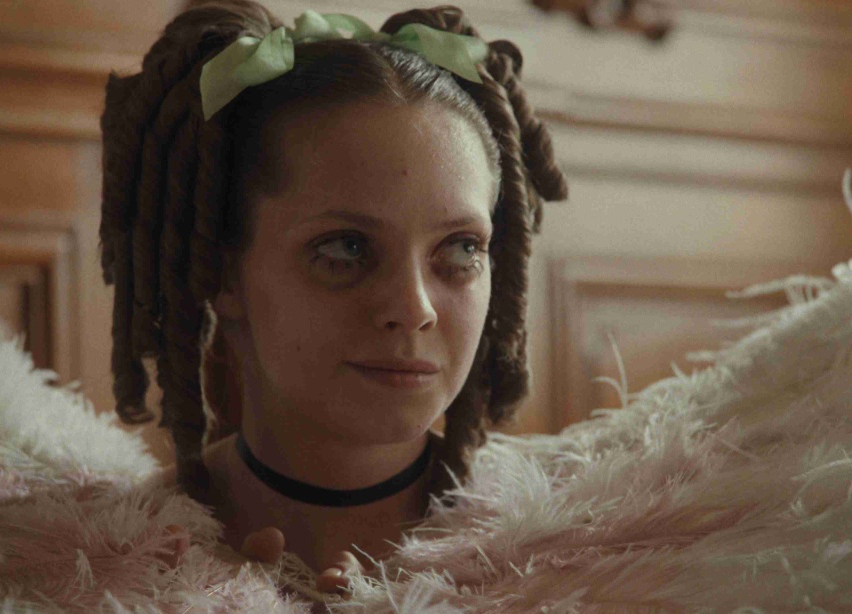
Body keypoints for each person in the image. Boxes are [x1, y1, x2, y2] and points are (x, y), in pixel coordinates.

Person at [97, 0, 567, 596]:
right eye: (346, 249)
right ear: (220, 271)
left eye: (461, 248)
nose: (415, 308)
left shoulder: (577, 555)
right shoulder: (97, 562)